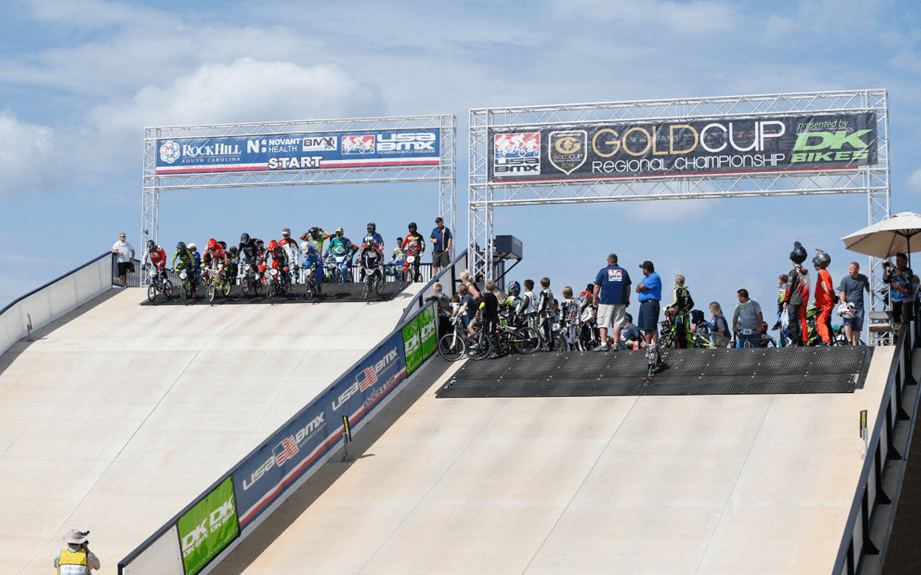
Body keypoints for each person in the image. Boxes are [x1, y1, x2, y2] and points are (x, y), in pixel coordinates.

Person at [592, 253, 632, 352]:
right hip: (620, 301)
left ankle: (604, 344)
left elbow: (597, 286)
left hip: (605, 302)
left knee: (603, 323)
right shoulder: (623, 271)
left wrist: (594, 298)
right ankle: (616, 344)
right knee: (617, 323)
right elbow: (628, 287)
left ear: (609, 261)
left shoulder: (603, 271)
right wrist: (627, 299)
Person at [783, 241, 810, 346]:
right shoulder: (805, 272)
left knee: (793, 320)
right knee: (802, 320)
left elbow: (789, 288)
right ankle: (804, 340)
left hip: (794, 301)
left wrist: (786, 300)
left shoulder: (792, 272)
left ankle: (795, 341)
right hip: (803, 300)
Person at [837, 262, 870, 345]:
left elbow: (867, 285)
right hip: (849, 305)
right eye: (849, 269)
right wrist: (843, 302)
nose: (850, 271)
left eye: (851, 269)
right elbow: (842, 292)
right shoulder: (845, 280)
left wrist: (869, 291)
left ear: (857, 269)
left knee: (857, 328)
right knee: (847, 323)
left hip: (859, 307)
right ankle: (849, 341)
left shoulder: (863, 278)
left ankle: (855, 344)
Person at [883, 253, 914, 329]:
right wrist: (885, 270)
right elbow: (886, 280)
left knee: (902, 319)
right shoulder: (893, 271)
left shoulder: (908, 271)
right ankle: (896, 333)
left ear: (905, 261)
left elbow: (902, 277)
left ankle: (902, 332)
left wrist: (894, 267)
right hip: (894, 299)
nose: (897, 262)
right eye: (897, 260)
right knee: (896, 320)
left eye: (899, 260)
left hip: (904, 298)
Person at [636, 260, 662, 347]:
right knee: (646, 327)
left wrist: (641, 287)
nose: (642, 270)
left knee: (652, 326)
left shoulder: (654, 277)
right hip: (644, 304)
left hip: (651, 303)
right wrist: (640, 287)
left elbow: (642, 287)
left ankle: (655, 344)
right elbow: (637, 288)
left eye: (643, 268)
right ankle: (648, 344)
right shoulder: (646, 278)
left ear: (646, 269)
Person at [665, 274, 694, 348]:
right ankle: (688, 348)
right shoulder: (686, 291)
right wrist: (687, 309)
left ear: (676, 281)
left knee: (678, 331)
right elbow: (692, 303)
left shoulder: (676, 290)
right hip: (686, 315)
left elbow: (676, 301)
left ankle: (678, 348)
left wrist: (668, 307)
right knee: (687, 332)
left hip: (679, 315)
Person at [812, 249, 834, 345]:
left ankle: (826, 341)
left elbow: (828, 288)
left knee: (821, 322)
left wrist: (833, 297)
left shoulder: (823, 274)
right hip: (821, 303)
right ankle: (826, 340)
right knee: (823, 323)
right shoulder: (822, 273)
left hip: (825, 303)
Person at [536, 277, 556, 350]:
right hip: (551, 312)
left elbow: (541, 302)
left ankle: (546, 345)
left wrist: (538, 311)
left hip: (544, 313)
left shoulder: (543, 292)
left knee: (543, 329)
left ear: (542, 284)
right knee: (550, 329)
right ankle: (551, 345)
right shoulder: (550, 292)